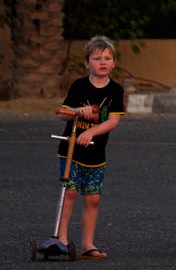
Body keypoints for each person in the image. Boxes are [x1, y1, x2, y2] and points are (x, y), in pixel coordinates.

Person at [57, 35, 126, 260]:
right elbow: (62, 113)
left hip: (96, 153)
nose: (103, 62)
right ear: (87, 63)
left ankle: (88, 243)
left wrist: (91, 132)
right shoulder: (78, 85)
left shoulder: (115, 90)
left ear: (114, 63)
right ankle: (62, 240)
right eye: (97, 58)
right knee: (70, 193)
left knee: (93, 198)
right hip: (71, 151)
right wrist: (78, 111)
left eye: (107, 58)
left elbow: (113, 121)